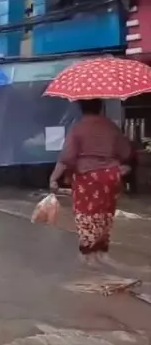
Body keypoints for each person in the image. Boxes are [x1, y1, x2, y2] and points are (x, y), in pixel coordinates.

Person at [50, 99, 135, 266]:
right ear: (101, 107)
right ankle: (102, 253)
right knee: (105, 214)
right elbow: (125, 151)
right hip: (110, 176)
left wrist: (54, 178)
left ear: (81, 108)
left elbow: (67, 157)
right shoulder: (111, 127)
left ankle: (87, 255)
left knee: (86, 215)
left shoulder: (78, 128)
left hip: (87, 177)